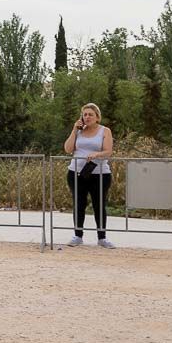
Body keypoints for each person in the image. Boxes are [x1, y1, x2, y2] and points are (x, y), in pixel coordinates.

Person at [63, 102, 115, 248]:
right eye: (85, 114)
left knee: (99, 204)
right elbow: (67, 149)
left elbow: (108, 151)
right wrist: (74, 129)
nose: (87, 117)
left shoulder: (105, 131)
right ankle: (77, 235)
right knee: (79, 203)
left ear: (97, 117)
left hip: (99, 173)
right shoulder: (79, 131)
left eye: (90, 114)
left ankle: (102, 237)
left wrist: (97, 154)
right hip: (76, 172)